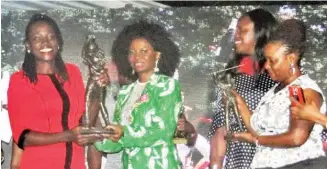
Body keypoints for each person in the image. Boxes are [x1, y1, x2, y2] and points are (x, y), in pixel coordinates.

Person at [7, 13, 107, 169]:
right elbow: (22, 136)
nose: (45, 42)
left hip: (75, 164)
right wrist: (68, 135)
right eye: (37, 38)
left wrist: (97, 86)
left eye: (50, 37)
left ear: (58, 42)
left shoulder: (73, 72)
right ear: (28, 46)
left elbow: (88, 119)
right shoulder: (19, 80)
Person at [233, 19, 327, 169]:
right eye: (265, 60)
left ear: (291, 59)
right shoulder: (275, 91)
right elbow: (259, 130)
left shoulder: (298, 90)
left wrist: (256, 139)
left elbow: (297, 137)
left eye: (272, 60)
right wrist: (238, 102)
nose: (266, 66)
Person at [94, 20, 183, 169]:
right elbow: (118, 143)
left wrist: (123, 133)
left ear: (157, 55)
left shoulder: (167, 86)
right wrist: (97, 136)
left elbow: (163, 132)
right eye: (131, 52)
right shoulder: (125, 93)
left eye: (144, 51)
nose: (136, 57)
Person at [208, 8, 277, 169]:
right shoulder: (229, 75)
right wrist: (215, 162)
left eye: (243, 31)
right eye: (237, 30)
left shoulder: (279, 76)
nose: (236, 36)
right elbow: (220, 125)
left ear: (261, 34)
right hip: (238, 160)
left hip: (272, 157)